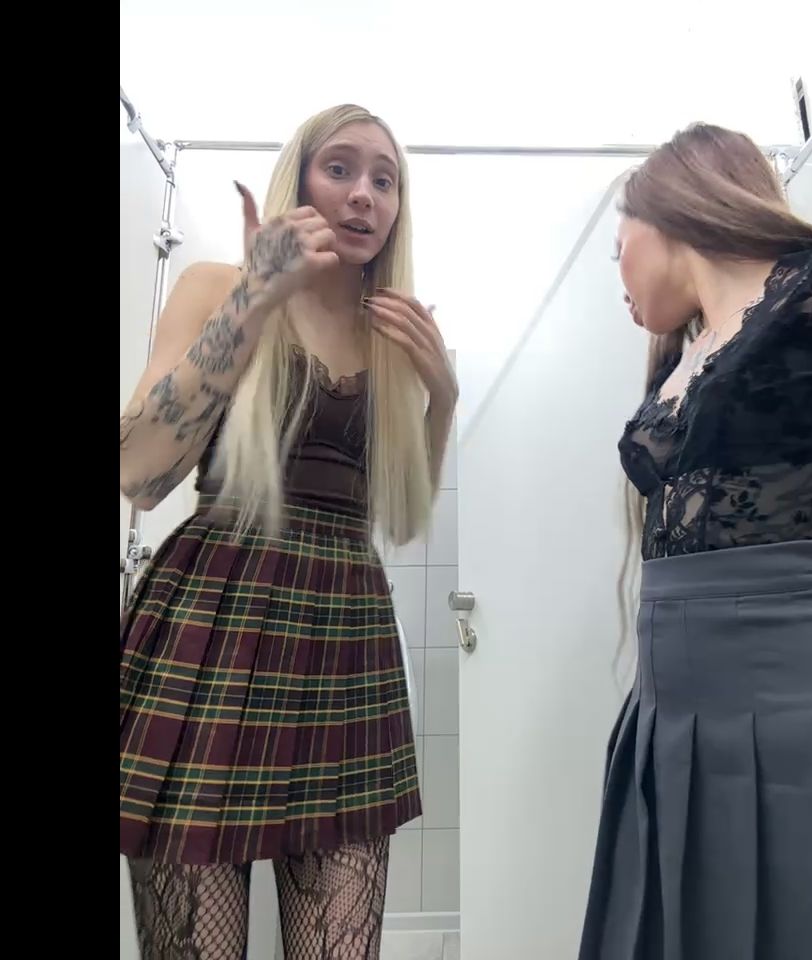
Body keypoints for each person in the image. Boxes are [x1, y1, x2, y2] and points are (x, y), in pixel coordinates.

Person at [119, 104, 458, 960]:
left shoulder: (391, 334)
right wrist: (255, 298)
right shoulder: (215, 284)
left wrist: (443, 399)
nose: (364, 194)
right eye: (339, 168)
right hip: (215, 626)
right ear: (298, 180)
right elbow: (140, 474)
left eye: (385, 180)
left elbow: (401, 518)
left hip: (345, 641)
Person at [578, 123, 812, 960]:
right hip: (673, 716)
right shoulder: (686, 353)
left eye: (616, 246)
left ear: (661, 214)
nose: (618, 274)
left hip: (797, 703)